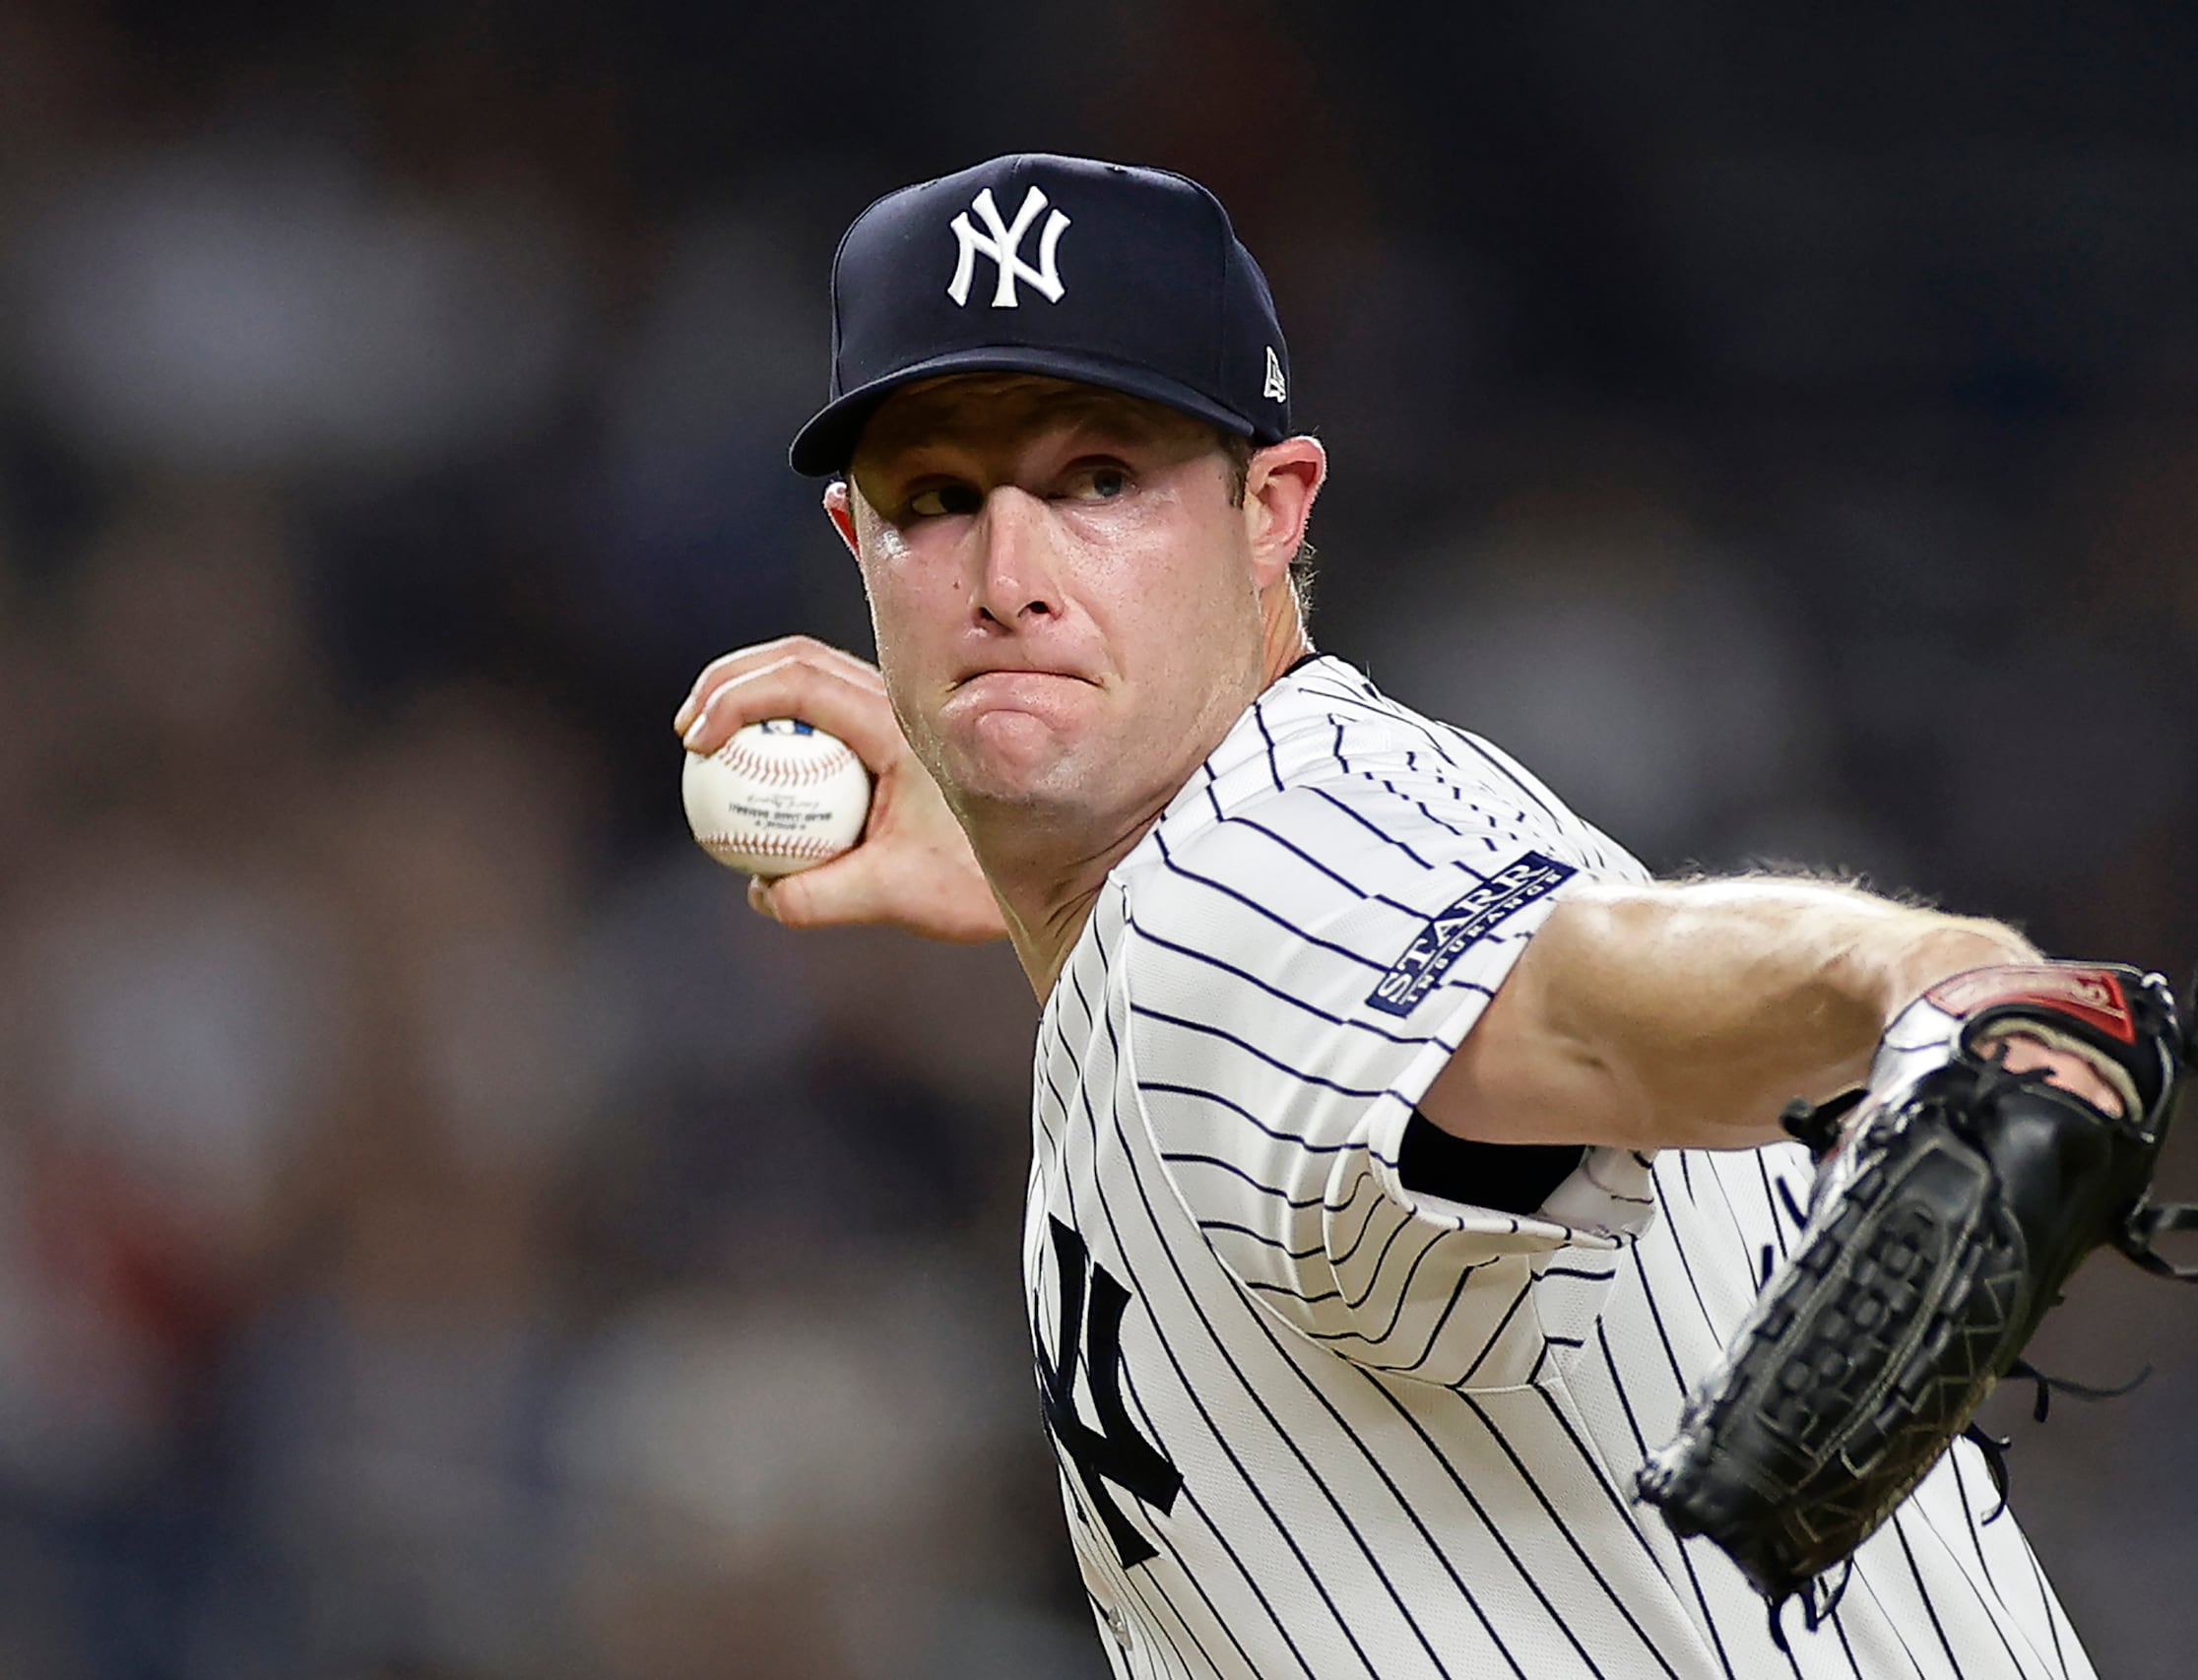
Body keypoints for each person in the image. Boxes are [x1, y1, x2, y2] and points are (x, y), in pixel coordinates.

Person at [676, 153, 2115, 1679]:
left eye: (1101, 479)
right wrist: (1029, 864)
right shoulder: (1230, 872)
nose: (1009, 574)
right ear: (859, 545)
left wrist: (1920, 977)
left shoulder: (1242, 892)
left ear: (1270, 510)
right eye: (940, 499)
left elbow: (1580, 1001)